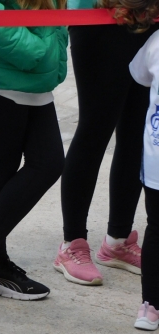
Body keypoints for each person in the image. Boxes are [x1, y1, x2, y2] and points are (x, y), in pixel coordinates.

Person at [0, 0, 67, 311]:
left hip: (35, 77)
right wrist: (37, 50)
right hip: (3, 78)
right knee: (5, 164)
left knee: (46, 163)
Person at [54, 0, 158, 286]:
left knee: (137, 133)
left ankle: (118, 239)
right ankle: (71, 243)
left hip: (149, 15)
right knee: (95, 129)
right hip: (99, 15)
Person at [128, 1, 159, 331]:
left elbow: (138, 76)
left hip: (156, 162)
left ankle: (151, 304)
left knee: (156, 228)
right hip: (156, 166)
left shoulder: (155, 43)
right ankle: (150, 303)